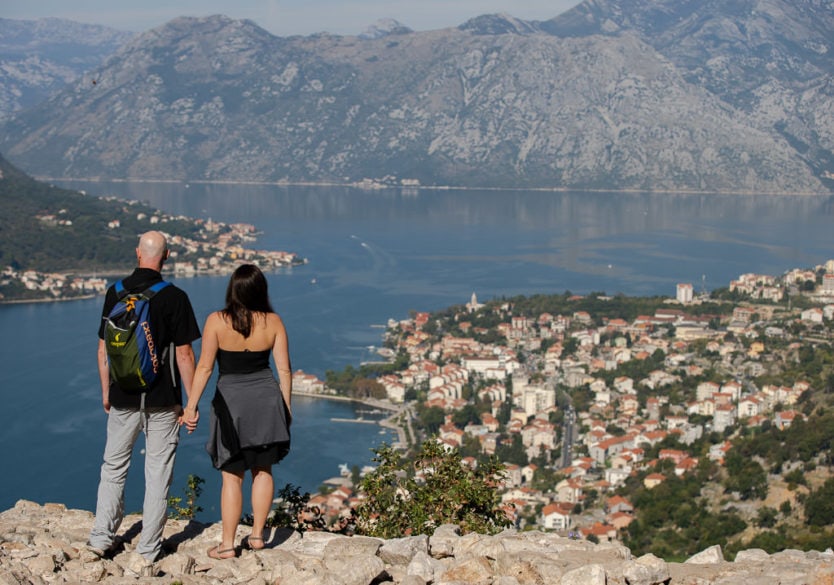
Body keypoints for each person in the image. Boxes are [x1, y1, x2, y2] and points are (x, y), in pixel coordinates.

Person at [88, 231, 201, 567]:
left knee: (113, 469)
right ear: (166, 256)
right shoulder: (175, 297)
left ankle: (100, 538)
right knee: (157, 474)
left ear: (138, 253)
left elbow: (102, 349)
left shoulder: (115, 292)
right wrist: (191, 403)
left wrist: (106, 391)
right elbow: (184, 355)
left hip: (122, 397)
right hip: (163, 401)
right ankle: (148, 549)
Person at [182, 263, 292, 559]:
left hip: (230, 402)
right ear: (260, 290)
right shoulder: (274, 322)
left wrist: (190, 407)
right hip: (267, 401)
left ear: (233, 289)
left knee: (232, 476)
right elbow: (284, 370)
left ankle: (228, 544)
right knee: (263, 469)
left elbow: (204, 367)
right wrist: (287, 409)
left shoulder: (216, 321)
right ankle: (257, 536)